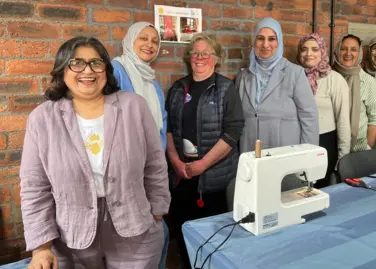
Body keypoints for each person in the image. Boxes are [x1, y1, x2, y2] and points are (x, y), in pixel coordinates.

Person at [20, 36, 171, 269]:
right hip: (71, 237)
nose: (87, 71)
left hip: (136, 228)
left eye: (96, 63)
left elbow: (155, 163)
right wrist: (41, 247)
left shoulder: (134, 106)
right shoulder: (42, 118)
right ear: (62, 69)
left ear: (106, 69)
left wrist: (158, 211)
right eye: (77, 63)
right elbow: (34, 186)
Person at [165, 33, 244, 269]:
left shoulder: (225, 88)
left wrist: (203, 164)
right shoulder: (178, 88)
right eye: (195, 52)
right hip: (182, 177)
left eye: (205, 53)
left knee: (215, 242)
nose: (199, 57)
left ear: (216, 58)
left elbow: (233, 131)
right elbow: (168, 128)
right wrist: (175, 161)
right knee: (184, 235)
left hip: (214, 181)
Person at [111, 21, 169, 269]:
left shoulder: (153, 82)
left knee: (157, 233)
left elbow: (161, 127)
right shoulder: (117, 70)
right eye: (143, 38)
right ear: (130, 41)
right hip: (123, 171)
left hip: (150, 170)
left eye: (155, 41)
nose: (149, 45)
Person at [236, 17, 318, 153]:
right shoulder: (244, 76)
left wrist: (307, 157)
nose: (265, 44)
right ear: (254, 41)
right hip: (250, 154)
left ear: (279, 42)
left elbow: (309, 118)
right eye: (260, 38)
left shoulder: (294, 73)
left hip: (284, 154)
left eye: (272, 39)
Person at [297, 33, 350, 187]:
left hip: (324, 143)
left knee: (319, 190)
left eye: (315, 49)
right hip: (298, 142)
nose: (309, 54)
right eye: (304, 49)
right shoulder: (293, 76)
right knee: (297, 191)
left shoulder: (334, 79)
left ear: (322, 52)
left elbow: (343, 120)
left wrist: (343, 156)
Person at [333, 34, 376, 152]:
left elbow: (375, 117)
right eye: (343, 48)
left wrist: (368, 147)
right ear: (337, 51)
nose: (348, 53)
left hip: (359, 148)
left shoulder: (367, 81)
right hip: (331, 145)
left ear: (359, 53)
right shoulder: (328, 77)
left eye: (353, 49)